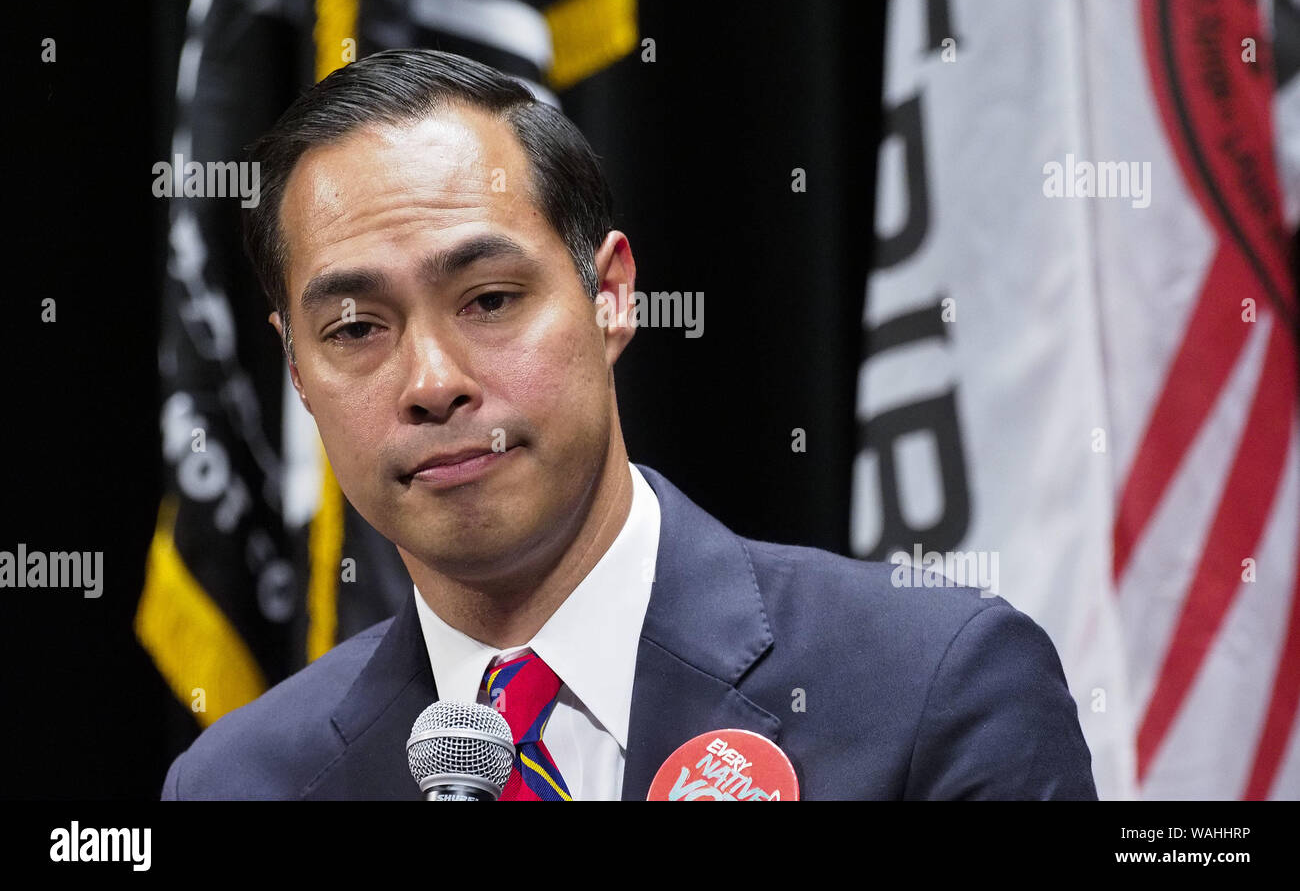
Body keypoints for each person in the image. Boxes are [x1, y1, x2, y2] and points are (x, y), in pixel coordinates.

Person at [162, 48, 1097, 800]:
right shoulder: (240, 783)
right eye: (356, 328)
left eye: (488, 299)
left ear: (610, 297)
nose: (432, 383)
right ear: (297, 372)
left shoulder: (933, 685)